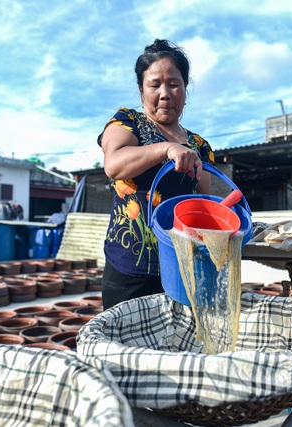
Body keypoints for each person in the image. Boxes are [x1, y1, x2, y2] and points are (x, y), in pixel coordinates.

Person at [97, 39, 215, 309]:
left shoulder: (200, 146)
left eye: (174, 84)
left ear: (186, 89)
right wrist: (166, 149)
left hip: (183, 267)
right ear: (141, 91)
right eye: (154, 85)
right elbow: (114, 165)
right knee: (126, 348)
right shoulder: (127, 122)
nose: (165, 93)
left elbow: (204, 204)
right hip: (130, 269)